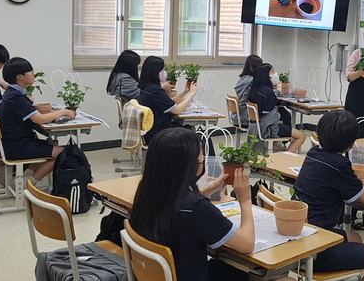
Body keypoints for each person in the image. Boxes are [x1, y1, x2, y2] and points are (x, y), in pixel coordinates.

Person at [130, 128, 293, 281]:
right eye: (201, 162)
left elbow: (175, 206)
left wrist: (208, 190)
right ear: (189, 168)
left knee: (231, 266)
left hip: (165, 274)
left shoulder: (146, 190)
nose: (202, 165)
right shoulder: (197, 207)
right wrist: (245, 200)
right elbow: (247, 245)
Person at [293, 110, 364, 281]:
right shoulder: (339, 164)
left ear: (319, 135)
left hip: (300, 234)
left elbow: (338, 181)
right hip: (317, 246)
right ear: (351, 144)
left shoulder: (313, 154)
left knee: (355, 238)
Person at [0, 57, 76, 183]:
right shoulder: (16, 96)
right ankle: (30, 184)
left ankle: (25, 179)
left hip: (11, 142)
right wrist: (64, 111)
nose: (33, 75)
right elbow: (39, 119)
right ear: (20, 77)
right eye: (31, 72)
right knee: (63, 153)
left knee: (52, 145)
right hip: (17, 146)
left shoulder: (11, 93)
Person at [138, 56, 197, 144]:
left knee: (189, 128)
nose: (164, 72)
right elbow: (177, 110)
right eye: (162, 70)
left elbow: (168, 103)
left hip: (151, 130)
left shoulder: (146, 87)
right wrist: (192, 94)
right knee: (197, 136)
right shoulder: (155, 90)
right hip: (158, 133)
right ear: (155, 72)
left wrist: (185, 92)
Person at [247, 63, 305, 153]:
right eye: (272, 71)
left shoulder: (253, 90)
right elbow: (271, 114)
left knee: (284, 115)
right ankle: (285, 156)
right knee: (301, 136)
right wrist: (277, 90)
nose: (275, 74)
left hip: (256, 126)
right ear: (266, 75)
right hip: (268, 128)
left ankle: (280, 150)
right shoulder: (268, 92)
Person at [232, 54, 262, 127]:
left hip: (237, 116)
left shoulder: (243, 79)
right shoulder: (253, 81)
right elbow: (260, 97)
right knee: (277, 115)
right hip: (247, 118)